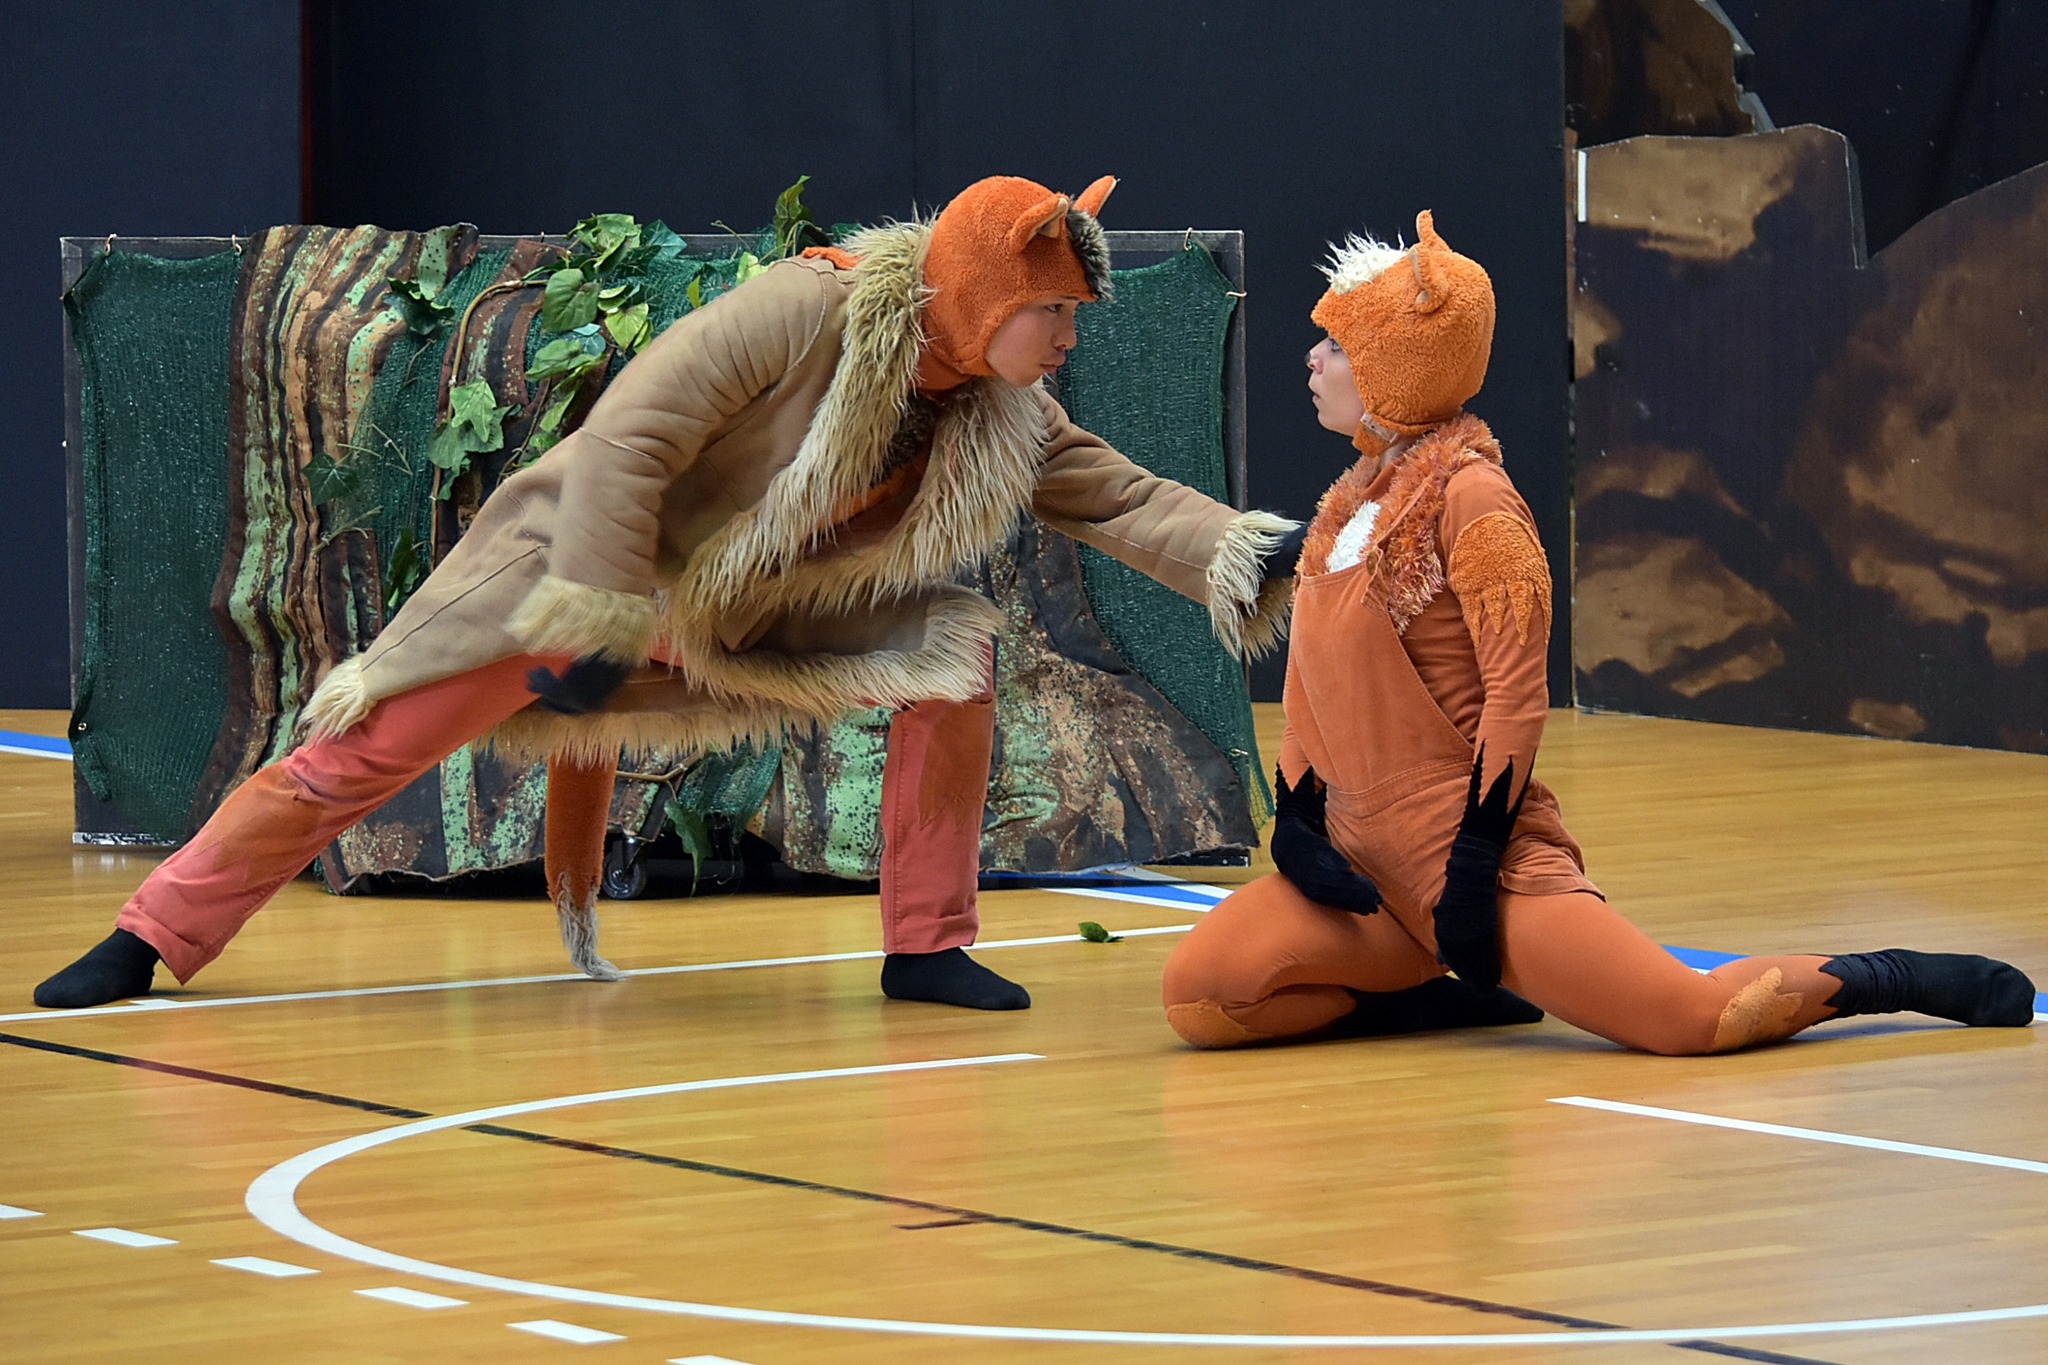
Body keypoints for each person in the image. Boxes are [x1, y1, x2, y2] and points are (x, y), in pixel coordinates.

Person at [37, 174, 1298, 1013]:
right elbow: (628, 435)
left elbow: (1114, 495)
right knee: (370, 745)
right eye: (1052, 312)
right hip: (580, 573)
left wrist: (1245, 550)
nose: (1068, 337)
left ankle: (925, 945)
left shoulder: (999, 404)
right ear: (980, 293)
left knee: (953, 662)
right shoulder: (802, 310)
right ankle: (153, 934)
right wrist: (594, 613)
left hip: (748, 615)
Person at [1161, 211, 2036, 1053]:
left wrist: (1474, 864)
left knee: (1694, 1017)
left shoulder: (1475, 499)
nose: (1313, 358)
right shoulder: (1345, 508)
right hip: (1367, 873)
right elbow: (1316, 688)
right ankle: (1443, 994)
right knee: (1203, 995)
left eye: (1338, 344)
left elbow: (1517, 695)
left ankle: (1894, 975)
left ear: (1397, 366)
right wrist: (1298, 821)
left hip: (1470, 861)